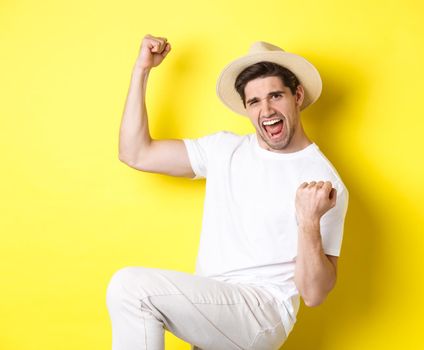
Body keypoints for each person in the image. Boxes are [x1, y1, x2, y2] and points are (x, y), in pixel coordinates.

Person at [106, 34, 349, 350]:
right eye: (255, 101)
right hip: (211, 308)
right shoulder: (224, 150)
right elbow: (135, 153)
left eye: (276, 96)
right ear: (246, 108)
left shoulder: (322, 181)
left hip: (262, 311)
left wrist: (308, 220)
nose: (267, 110)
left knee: (131, 288)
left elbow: (314, 294)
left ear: (297, 96)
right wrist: (142, 69)